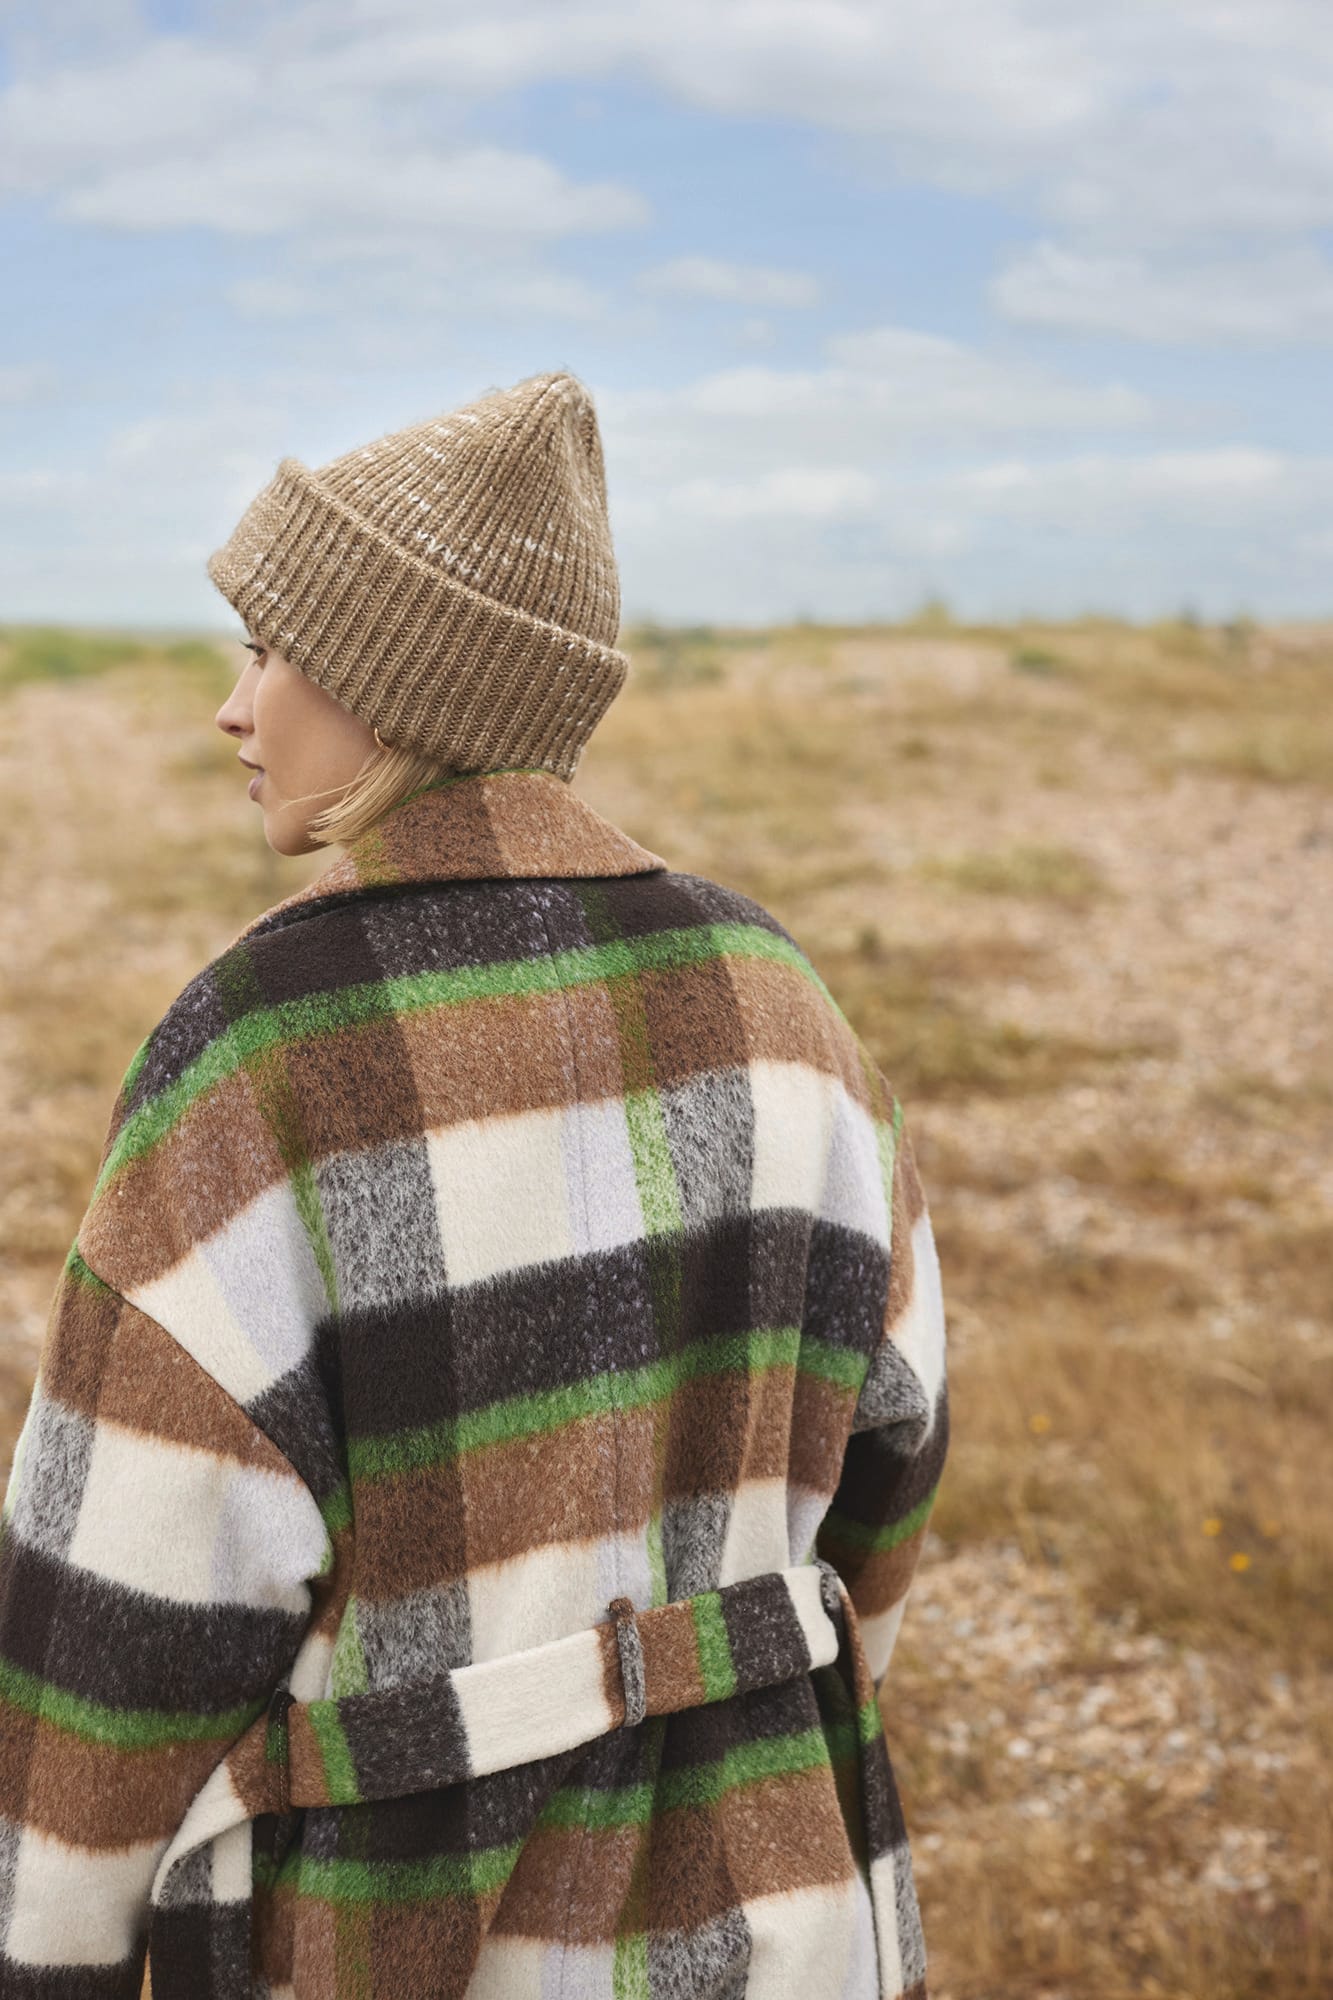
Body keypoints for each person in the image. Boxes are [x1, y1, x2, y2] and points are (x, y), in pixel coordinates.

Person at [0, 369, 949, 1999]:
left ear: (394, 685)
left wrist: (48, 1956)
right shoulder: (776, 997)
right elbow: (891, 1464)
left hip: (395, 1942)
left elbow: (123, 1627)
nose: (234, 708)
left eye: (269, 647)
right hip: (791, 1920)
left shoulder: (266, 1048)